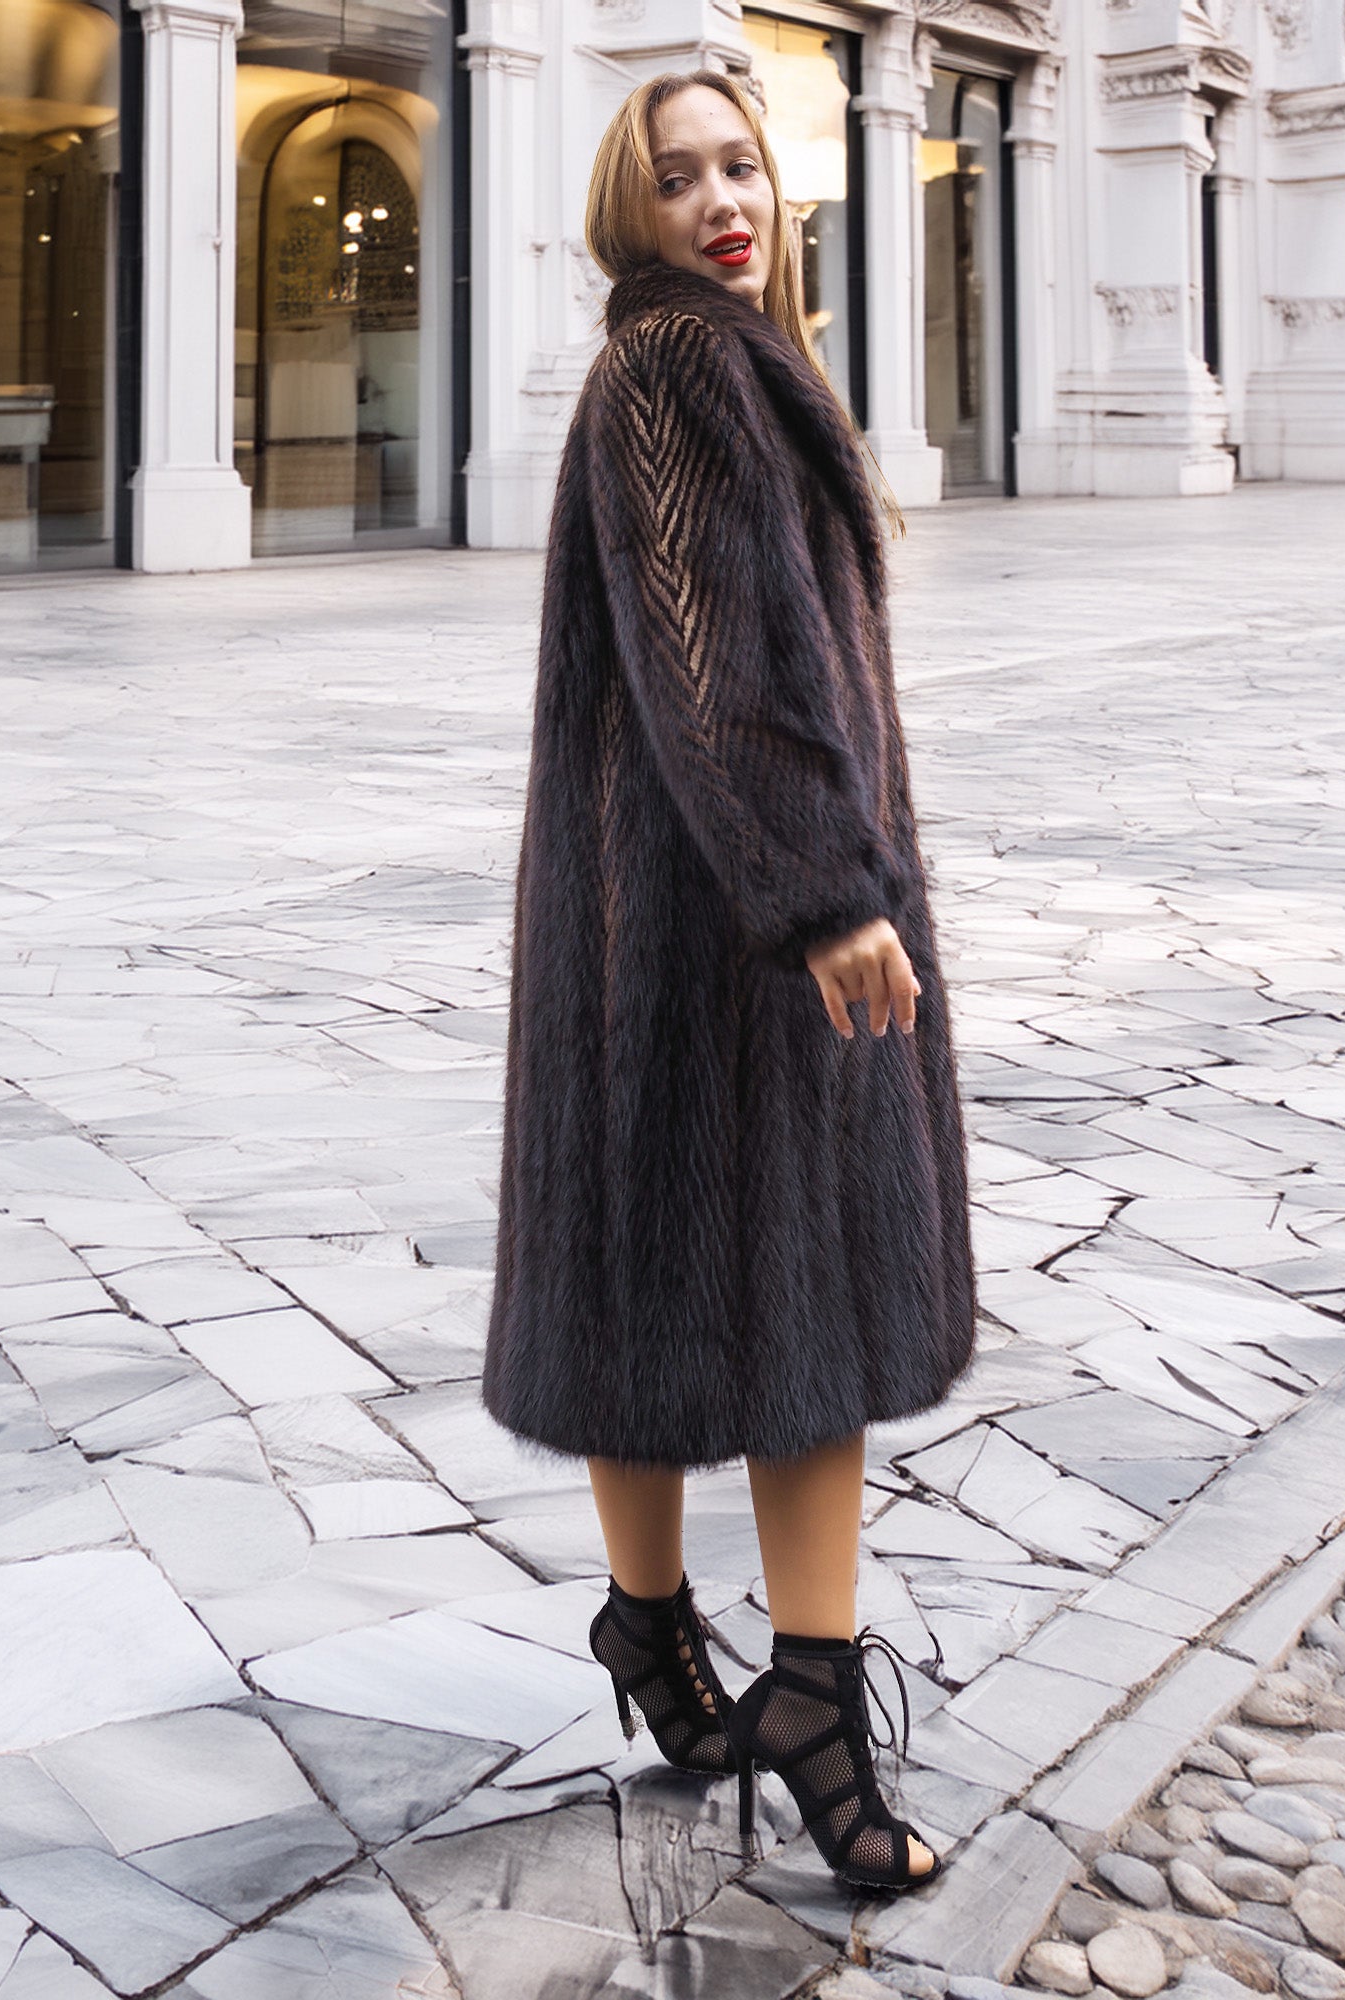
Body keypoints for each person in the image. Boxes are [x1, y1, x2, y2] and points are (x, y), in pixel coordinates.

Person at [481, 66, 977, 1893]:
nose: (722, 199)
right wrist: (826, 891)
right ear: (635, 210)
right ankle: (811, 1701)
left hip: (659, 918)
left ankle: (654, 1630)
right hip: (733, 923)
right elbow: (712, 669)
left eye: (743, 163)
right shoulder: (683, 365)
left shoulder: (712, 362)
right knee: (805, 1303)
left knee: (647, 1288)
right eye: (679, 177)